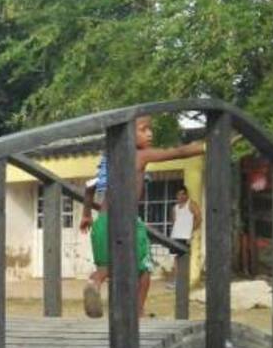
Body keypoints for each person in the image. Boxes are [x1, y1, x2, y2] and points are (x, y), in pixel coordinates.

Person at [80, 116, 205, 317]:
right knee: (143, 270)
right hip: (126, 222)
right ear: (127, 135)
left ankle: (93, 283)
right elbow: (178, 152)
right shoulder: (140, 155)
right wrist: (207, 146)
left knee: (106, 269)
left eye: (150, 129)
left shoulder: (108, 159)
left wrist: (86, 215)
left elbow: (89, 187)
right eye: (143, 129)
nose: (150, 133)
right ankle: (138, 312)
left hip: (102, 222)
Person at [170, 185, 201, 255]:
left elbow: (199, 219)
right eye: (179, 194)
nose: (181, 196)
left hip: (185, 237)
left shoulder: (191, 204)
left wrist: (191, 230)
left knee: (184, 258)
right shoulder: (175, 208)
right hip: (175, 236)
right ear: (176, 196)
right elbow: (174, 222)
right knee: (174, 257)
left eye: (183, 194)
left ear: (187, 195)